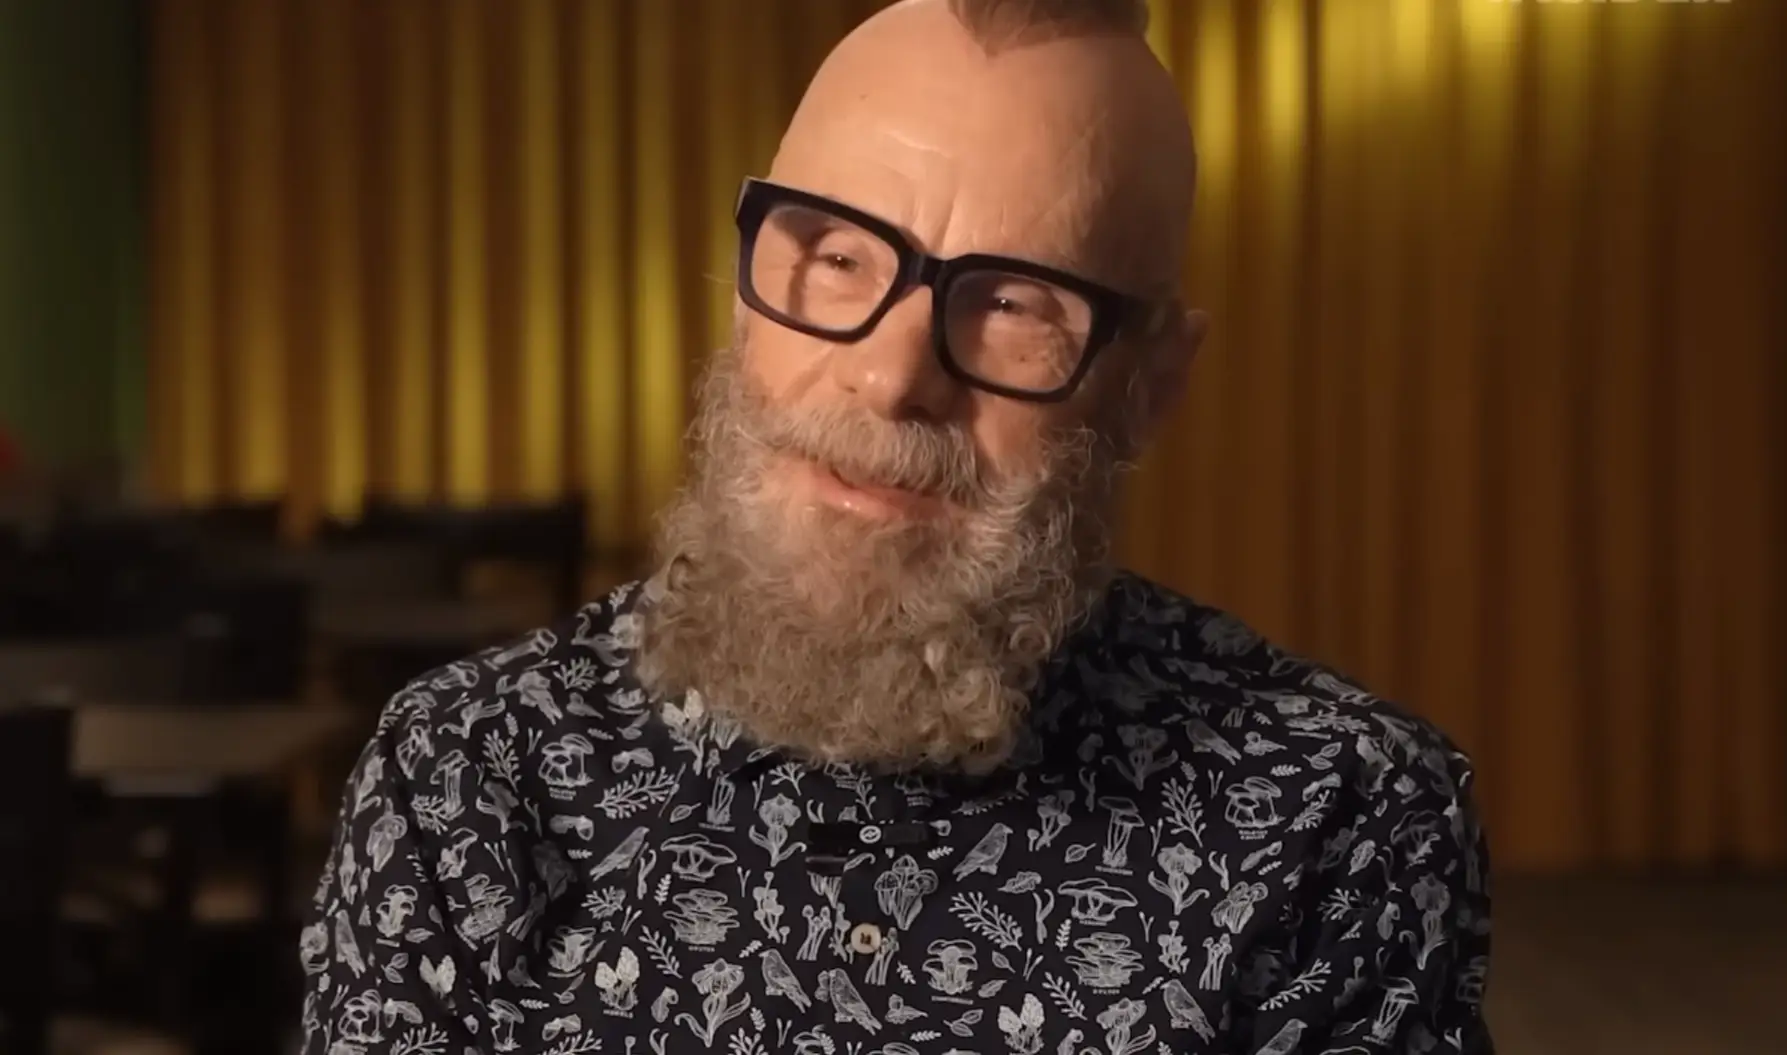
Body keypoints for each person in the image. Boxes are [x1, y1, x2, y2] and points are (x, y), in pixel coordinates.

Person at [298, 1, 1493, 1052]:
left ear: (1149, 383)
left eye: (1013, 301)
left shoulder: (1335, 819)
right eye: (837, 256)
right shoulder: (468, 780)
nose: (889, 376)